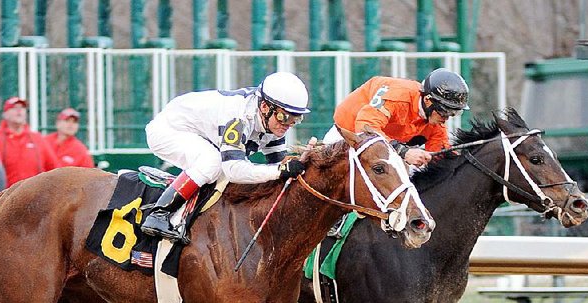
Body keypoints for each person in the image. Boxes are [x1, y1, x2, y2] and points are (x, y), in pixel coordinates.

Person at [140, 71, 310, 243]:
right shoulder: (239, 118)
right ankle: (159, 213)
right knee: (212, 162)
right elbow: (234, 170)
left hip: (202, 135)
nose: (288, 125)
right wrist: (279, 170)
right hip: (168, 130)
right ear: (265, 107)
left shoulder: (274, 124)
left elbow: (279, 164)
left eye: (296, 119)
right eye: (284, 117)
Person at [325, 68, 469, 167]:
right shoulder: (397, 96)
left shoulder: (436, 121)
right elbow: (365, 128)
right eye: (445, 111)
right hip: (347, 135)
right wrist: (403, 152)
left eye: (453, 113)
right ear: (428, 101)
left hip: (387, 146)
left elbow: (440, 158)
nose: (447, 118)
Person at [0, 96, 59, 187]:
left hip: (35, 196)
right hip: (7, 196)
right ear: (5, 114)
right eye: (14, 108)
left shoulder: (37, 139)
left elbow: (54, 168)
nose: (19, 111)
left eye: (22, 108)